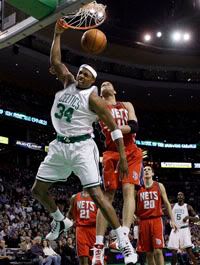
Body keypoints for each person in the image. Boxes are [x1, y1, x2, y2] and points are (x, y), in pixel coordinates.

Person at [31, 22, 137, 265]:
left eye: (86, 74)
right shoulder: (68, 82)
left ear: (93, 81)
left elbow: (116, 131)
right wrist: (58, 33)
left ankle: (124, 241)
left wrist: (122, 157)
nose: (80, 75)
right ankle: (60, 220)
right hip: (59, 146)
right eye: (80, 72)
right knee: (37, 190)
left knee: (98, 196)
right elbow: (56, 62)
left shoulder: (96, 100)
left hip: (82, 148)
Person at [92, 81, 142, 264]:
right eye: (102, 83)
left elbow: (135, 126)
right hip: (111, 152)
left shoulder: (126, 104)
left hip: (131, 151)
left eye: (108, 83)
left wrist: (115, 128)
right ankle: (98, 246)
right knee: (108, 196)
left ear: (114, 90)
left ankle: (124, 236)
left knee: (130, 191)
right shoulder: (98, 105)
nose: (104, 84)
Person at [136, 166, 176, 265]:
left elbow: (166, 203)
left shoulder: (159, 185)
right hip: (143, 221)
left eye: (149, 169)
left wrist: (172, 220)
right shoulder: (138, 187)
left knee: (158, 251)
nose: (146, 171)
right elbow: (131, 203)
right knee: (148, 253)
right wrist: (133, 214)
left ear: (153, 173)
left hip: (156, 220)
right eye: (144, 170)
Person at [168, 192, 199, 265]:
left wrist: (189, 217)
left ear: (184, 197)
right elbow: (165, 211)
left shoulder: (188, 206)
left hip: (184, 230)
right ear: (177, 197)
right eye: (178, 195)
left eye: (181, 195)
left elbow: (197, 219)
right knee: (174, 251)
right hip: (175, 230)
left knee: (189, 251)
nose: (179, 196)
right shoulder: (172, 206)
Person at [67, 189, 97, 265]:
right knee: (83, 258)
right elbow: (70, 213)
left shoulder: (97, 196)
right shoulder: (75, 197)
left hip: (94, 229)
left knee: (95, 258)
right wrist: (67, 225)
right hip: (81, 229)